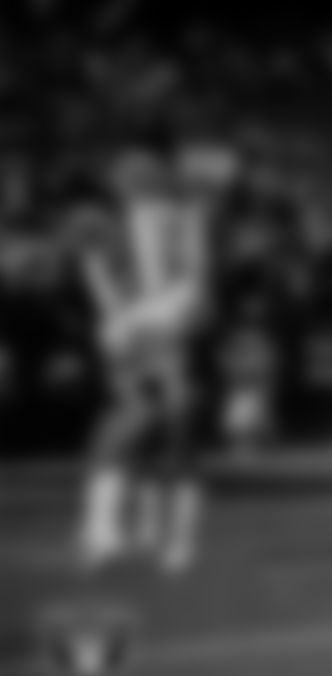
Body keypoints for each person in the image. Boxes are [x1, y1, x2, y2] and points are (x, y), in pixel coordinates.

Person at [74, 145, 209, 575]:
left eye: (133, 181)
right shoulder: (131, 226)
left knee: (158, 442)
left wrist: (124, 323)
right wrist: (120, 322)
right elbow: (110, 285)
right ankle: (133, 534)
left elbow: (191, 289)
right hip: (153, 338)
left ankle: (130, 535)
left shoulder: (176, 219)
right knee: (147, 441)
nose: (129, 190)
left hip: (159, 336)